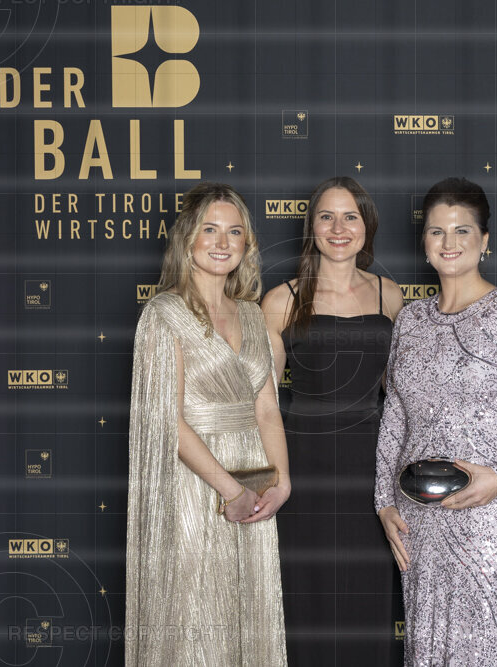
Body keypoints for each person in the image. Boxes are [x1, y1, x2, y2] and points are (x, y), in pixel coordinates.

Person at [374, 177, 497, 666]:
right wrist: (383, 501)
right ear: (424, 241)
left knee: (487, 642)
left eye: (462, 230)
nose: (449, 242)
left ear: (485, 240)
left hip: (491, 511)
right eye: (437, 231)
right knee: (429, 639)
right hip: (418, 515)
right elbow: (395, 415)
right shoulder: (410, 320)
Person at [125, 182, 290, 666]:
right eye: (210, 229)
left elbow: (266, 407)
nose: (222, 242)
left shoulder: (253, 316)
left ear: (246, 244)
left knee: (248, 609)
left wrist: (281, 481)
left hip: (254, 482)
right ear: (187, 240)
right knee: (194, 614)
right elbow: (167, 420)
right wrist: (230, 490)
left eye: (234, 232)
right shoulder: (163, 315)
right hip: (193, 484)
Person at [262, 176, 406, 665]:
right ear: (312, 227)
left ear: (367, 226)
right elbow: (263, 402)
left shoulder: (391, 296)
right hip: (304, 467)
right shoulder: (280, 300)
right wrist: (274, 477)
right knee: (306, 597)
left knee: (367, 597)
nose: (339, 228)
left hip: (372, 469)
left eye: (350, 217)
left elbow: (400, 393)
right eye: (327, 217)